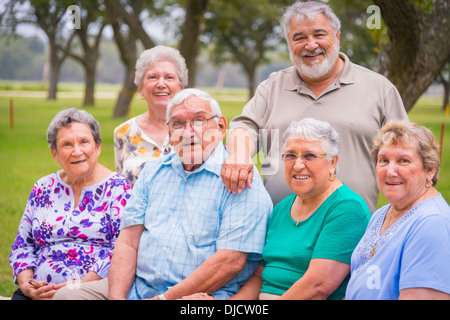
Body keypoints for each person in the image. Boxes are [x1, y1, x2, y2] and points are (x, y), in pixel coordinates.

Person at [53, 89, 272, 300]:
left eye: (198, 121)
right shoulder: (153, 171)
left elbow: (230, 262)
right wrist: (117, 296)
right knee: (68, 296)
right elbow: (128, 241)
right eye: (178, 124)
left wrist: (163, 299)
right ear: (170, 133)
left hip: (202, 295)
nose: (188, 132)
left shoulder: (239, 176)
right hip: (137, 286)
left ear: (221, 127)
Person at [221, 1, 408, 212]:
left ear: (337, 37)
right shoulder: (272, 87)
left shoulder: (379, 88)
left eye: (319, 35)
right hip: (280, 228)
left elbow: (406, 153)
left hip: (353, 229)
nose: (310, 45)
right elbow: (244, 127)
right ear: (289, 43)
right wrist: (239, 154)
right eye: (299, 37)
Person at [185, 118, 370, 300]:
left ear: (333, 162)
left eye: (309, 156)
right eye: (290, 155)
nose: (297, 165)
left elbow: (317, 287)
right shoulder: (283, 207)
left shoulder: (347, 208)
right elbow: (260, 277)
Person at [9, 108, 132, 300]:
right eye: (67, 144)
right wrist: (27, 286)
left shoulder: (118, 189)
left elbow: (122, 249)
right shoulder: (43, 187)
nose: (77, 151)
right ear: (54, 154)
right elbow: (23, 245)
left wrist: (78, 286)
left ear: (97, 147)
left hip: (89, 289)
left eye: (84, 142)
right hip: (38, 291)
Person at [345, 120, 450, 300]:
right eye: (384, 160)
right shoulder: (382, 213)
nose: (390, 171)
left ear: (430, 170)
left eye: (403, 161)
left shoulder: (432, 222)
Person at [114, 45, 187, 185]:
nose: (161, 84)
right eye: (153, 77)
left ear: (181, 87)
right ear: (141, 89)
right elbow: (121, 190)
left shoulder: (196, 130)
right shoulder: (122, 132)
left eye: (169, 77)